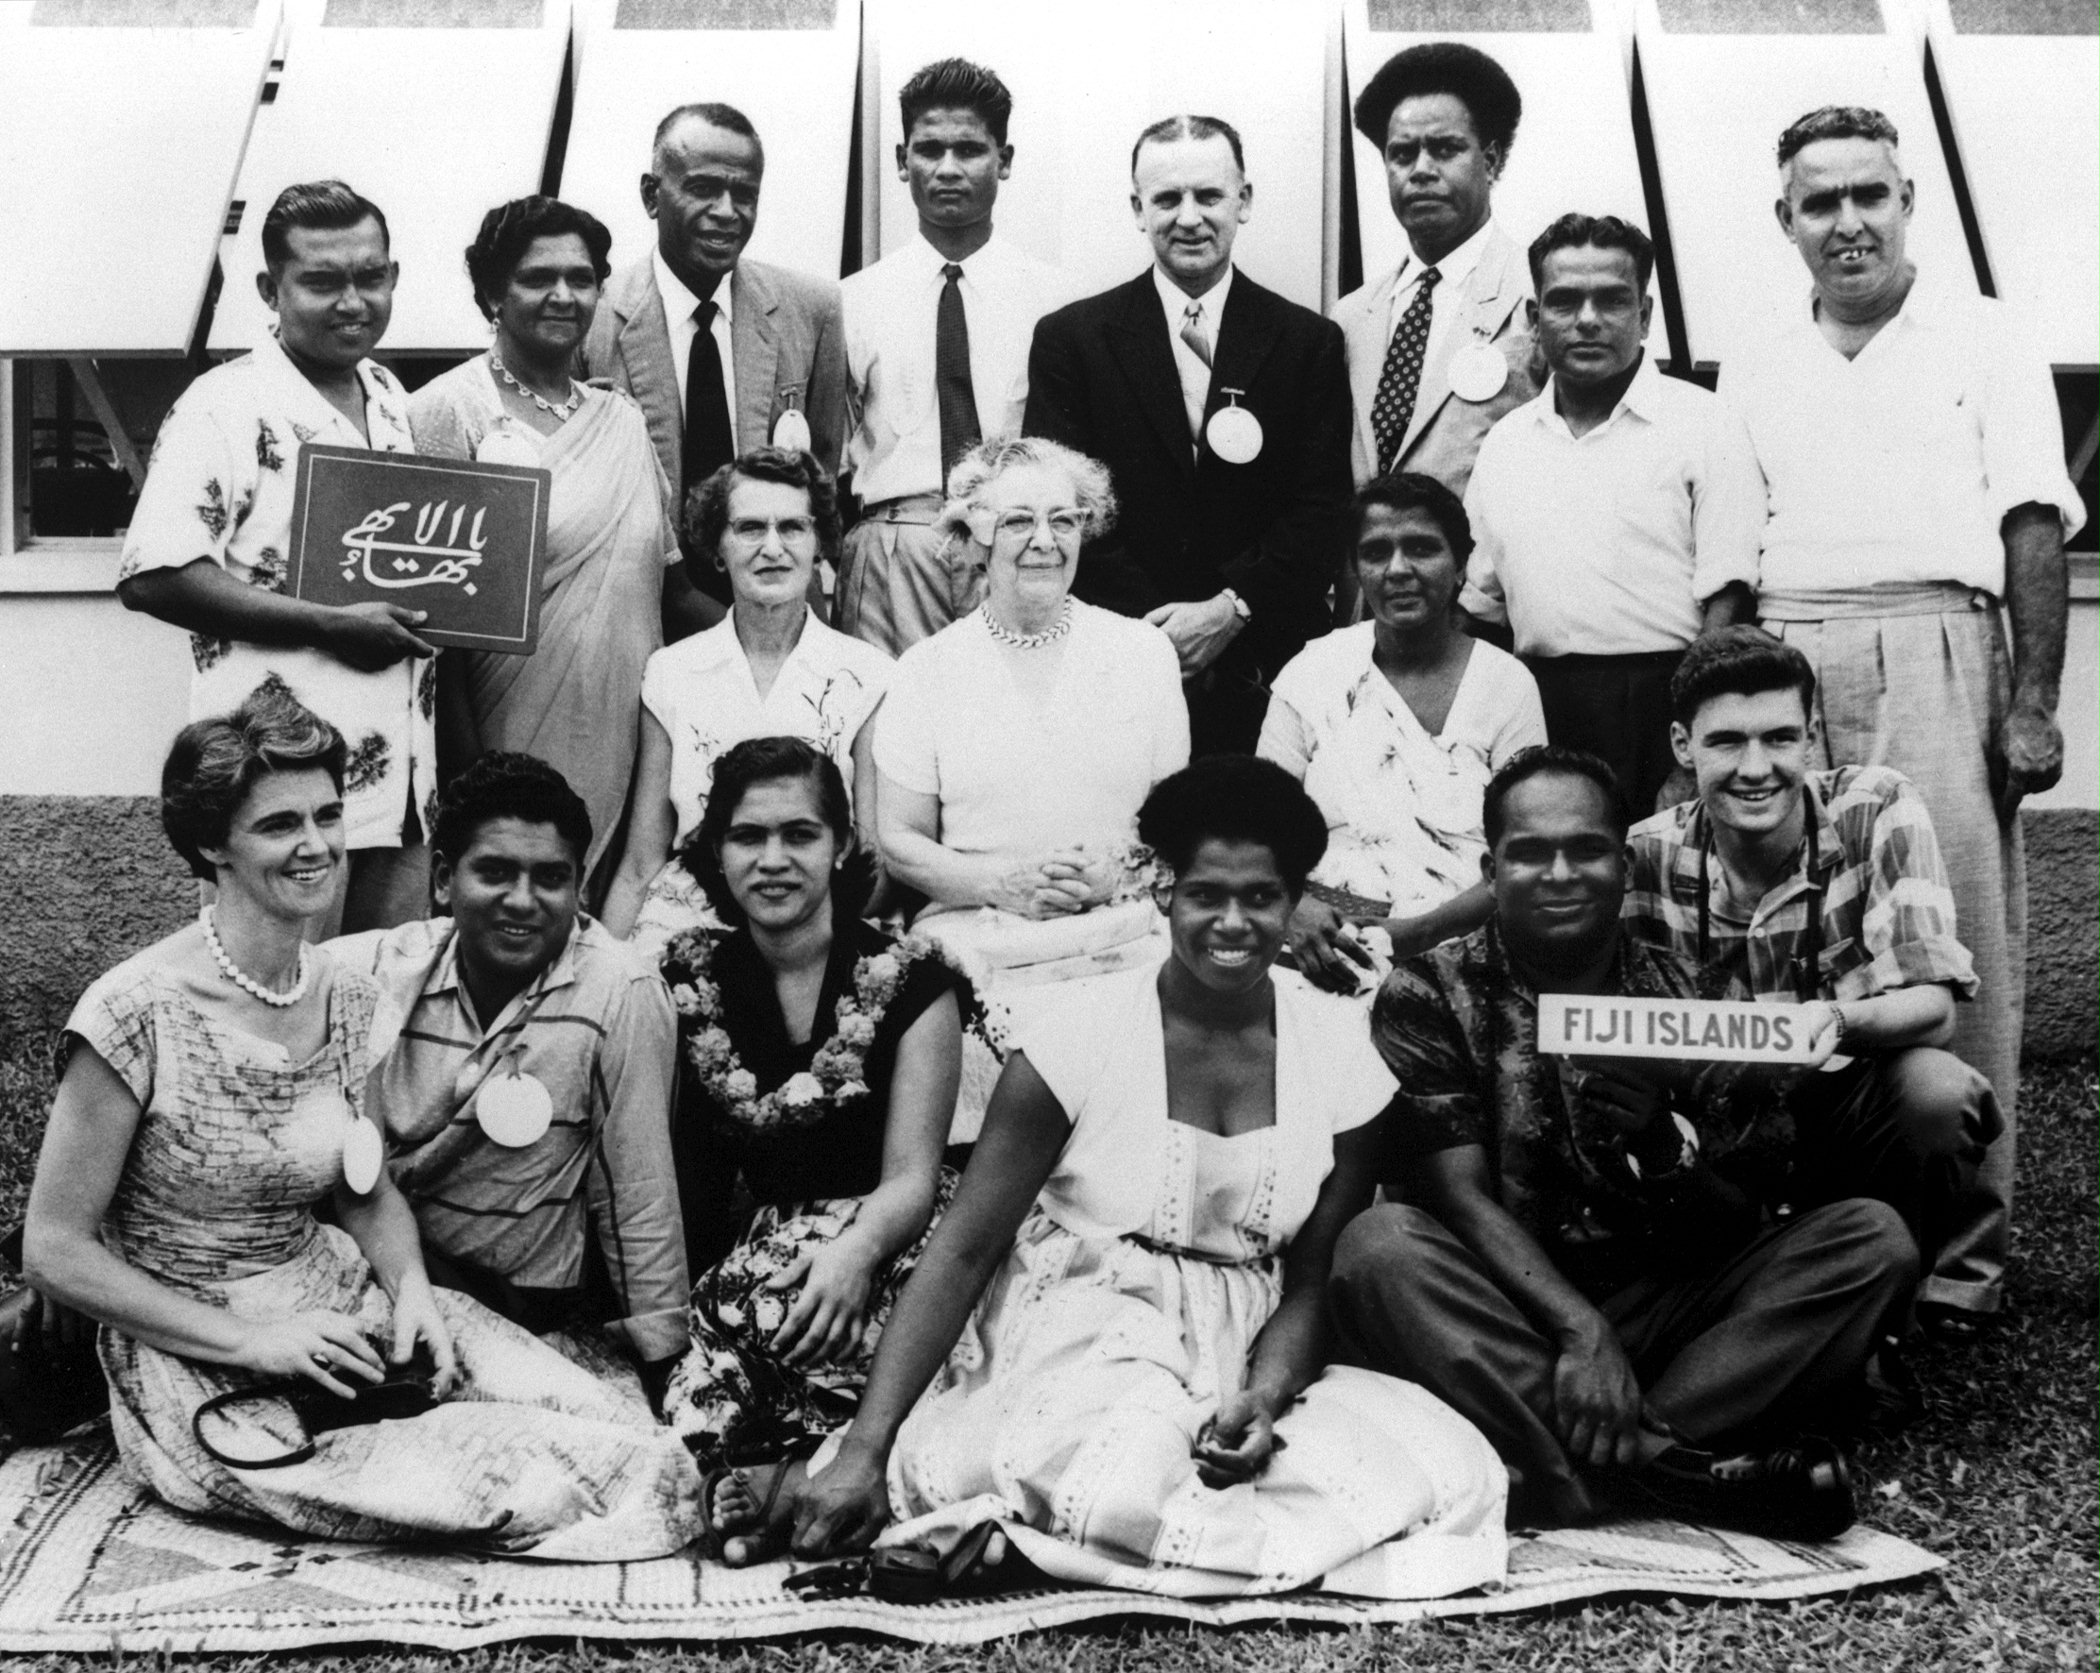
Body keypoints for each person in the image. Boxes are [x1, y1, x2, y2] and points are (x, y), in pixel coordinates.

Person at [759, 756, 1508, 1598]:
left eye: (1260, 897)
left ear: (1296, 899)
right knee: (1119, 1468)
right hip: (1086, 1318)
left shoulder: (1338, 1052)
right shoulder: (1077, 1035)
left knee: (1445, 1473)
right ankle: (1014, 1519)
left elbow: (1309, 1274)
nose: (1232, 922)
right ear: (1163, 890)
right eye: (1205, 896)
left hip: (1250, 1339)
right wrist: (864, 1449)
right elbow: (965, 1249)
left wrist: (1261, 1398)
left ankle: (1012, 1539)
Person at [19, 689, 701, 1557]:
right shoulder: (133, 1009)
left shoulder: (342, 992)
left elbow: (361, 1186)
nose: (315, 845)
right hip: (201, 1343)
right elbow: (54, 1244)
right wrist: (255, 1340)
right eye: (278, 824)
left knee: (620, 1428)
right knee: (523, 1486)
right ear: (208, 843)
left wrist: (412, 1290)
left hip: (346, 1294)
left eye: (329, 814)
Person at [1331, 747, 1918, 1538]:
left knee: (1871, 1239)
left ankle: (1591, 1462)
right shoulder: (1429, 990)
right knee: (1378, 1246)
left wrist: (1663, 1145)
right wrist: (1581, 1329)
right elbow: (1455, 1195)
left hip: (1666, 1315)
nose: (1561, 872)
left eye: (1587, 848)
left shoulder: (1698, 996)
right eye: (1531, 852)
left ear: (1626, 862)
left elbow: (1737, 1223)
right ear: (1492, 866)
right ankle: (1676, 1472)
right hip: (1504, 1308)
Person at [1721, 106, 2084, 1330]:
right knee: (1795, 935)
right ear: (1786, 223)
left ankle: (1961, 1263)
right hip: (1788, 649)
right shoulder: (1760, 357)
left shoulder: (1983, 337)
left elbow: (2033, 523)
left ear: (1907, 199)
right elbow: (1730, 552)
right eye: (1819, 203)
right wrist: (1728, 704)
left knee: (1952, 941)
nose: (1847, 222)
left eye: (1869, 195)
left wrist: (2033, 700)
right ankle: (1817, 1237)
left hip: (1937, 635)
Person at [1624, 627, 2001, 1298]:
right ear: (1683, 745)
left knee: (1939, 1094)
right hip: (1713, 1128)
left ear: (1812, 732)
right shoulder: (1646, 852)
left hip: (1843, 1112)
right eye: (1726, 741)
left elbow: (1935, 1003)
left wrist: (1832, 1019)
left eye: (1778, 737)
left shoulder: (1875, 805)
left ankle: (1884, 1309)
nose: (1755, 766)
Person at [117, 181, 435, 936]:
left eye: (371, 276)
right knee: (272, 1015)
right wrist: (328, 624)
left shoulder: (388, 393)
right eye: (323, 281)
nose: (353, 301)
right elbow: (154, 574)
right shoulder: (223, 403)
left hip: (399, 793)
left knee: (376, 1013)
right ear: (271, 288)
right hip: (275, 795)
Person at [329, 752, 690, 1411]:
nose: (523, 900)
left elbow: (637, 1194)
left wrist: (666, 1370)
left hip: (519, 1306)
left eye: (550, 878)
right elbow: (239, 994)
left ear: (580, 888)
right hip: (377, 1269)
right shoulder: (378, 969)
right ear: (443, 878)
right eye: (495, 871)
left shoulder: (620, 989)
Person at [653, 738, 964, 1479]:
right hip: (760, 1257)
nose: (773, 859)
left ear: (841, 845)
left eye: (800, 833)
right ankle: (775, 1475)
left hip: (892, 1238)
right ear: (716, 849)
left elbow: (913, 1176)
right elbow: (684, 1182)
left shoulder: (916, 982)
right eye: (748, 835)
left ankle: (812, 1464)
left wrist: (853, 1254)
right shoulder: (686, 980)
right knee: (695, 1405)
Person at [874, 435, 1189, 1137]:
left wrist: (1119, 873)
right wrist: (1003, 884)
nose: (1043, 541)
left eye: (1063, 520)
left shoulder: (1143, 653)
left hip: (1121, 928)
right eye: (1018, 521)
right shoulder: (926, 669)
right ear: (975, 536)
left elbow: (1179, 823)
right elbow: (897, 840)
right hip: (981, 938)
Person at [1024, 114, 1352, 755]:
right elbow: (1063, 507)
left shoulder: (1307, 343)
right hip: (1116, 656)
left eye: (1209, 195)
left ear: (1244, 200)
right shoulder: (1072, 340)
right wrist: (1159, 636)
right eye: (1167, 198)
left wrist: (1230, 610)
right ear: (1137, 208)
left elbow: (1321, 510)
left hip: (1267, 663)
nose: (1190, 217)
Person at [409, 197, 679, 892]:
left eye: (582, 278)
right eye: (537, 278)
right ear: (492, 293)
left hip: (626, 730)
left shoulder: (619, 419)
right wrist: (474, 775)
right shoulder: (449, 409)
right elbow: (437, 623)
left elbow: (665, 585)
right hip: (500, 734)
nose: (564, 295)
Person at [1461, 215, 1762, 815]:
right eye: (1565, 301)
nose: (1589, 320)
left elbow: (1728, 604)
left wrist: (1692, 753)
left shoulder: (1705, 423)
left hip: (1668, 705)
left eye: (1612, 301)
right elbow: (1481, 610)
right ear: (1533, 318)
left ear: (1645, 315)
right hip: (1539, 708)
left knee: (1664, 888)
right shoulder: (1506, 443)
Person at [1261, 472, 1544, 995]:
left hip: (1462, 952)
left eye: (1421, 549)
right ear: (1355, 569)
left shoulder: (1506, 685)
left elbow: (1528, 852)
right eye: (1375, 552)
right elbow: (1256, 826)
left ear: (1460, 566)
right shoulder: (1314, 670)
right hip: (1316, 948)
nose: (1398, 570)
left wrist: (1419, 933)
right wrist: (1295, 907)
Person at [603, 449, 891, 952]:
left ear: (818, 544)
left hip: (821, 923)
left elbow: (872, 861)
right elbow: (640, 865)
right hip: (692, 925)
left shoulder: (869, 674)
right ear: (718, 547)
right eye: (750, 528)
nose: (773, 548)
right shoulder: (672, 673)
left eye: (793, 528)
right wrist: (598, 978)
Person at [581, 102, 849, 631]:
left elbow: (819, 466)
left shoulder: (811, 309)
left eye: (744, 194)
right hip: (632, 615)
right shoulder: (592, 317)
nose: (727, 211)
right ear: (651, 196)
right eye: (703, 188)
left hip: (774, 613)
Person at [835, 58, 1067, 655]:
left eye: (969, 150)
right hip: (894, 545)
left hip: (1013, 538)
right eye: (928, 149)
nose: (947, 169)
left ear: (1004, 160)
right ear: (900, 160)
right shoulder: (852, 300)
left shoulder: (1055, 300)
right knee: (887, 727)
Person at [1331, 43, 1538, 506]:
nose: (1421, 170)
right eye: (1402, 154)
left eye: (1445, 150)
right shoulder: (1349, 318)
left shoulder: (1538, 296)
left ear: (1490, 161)